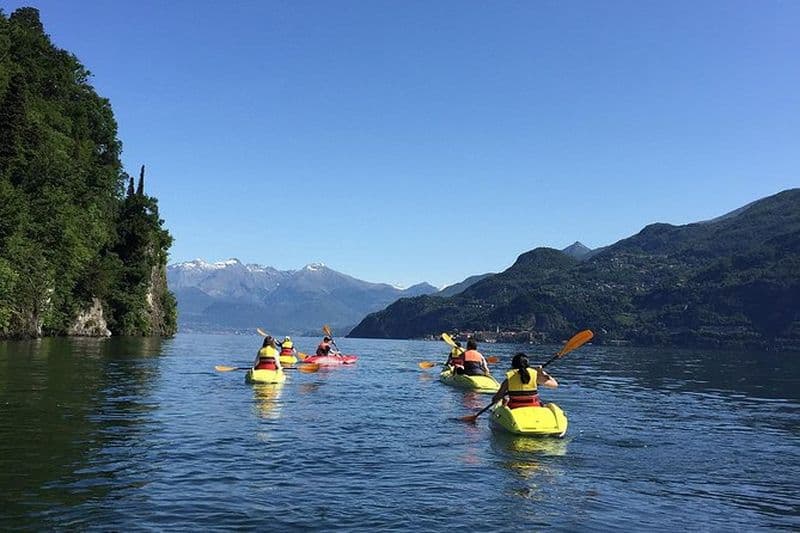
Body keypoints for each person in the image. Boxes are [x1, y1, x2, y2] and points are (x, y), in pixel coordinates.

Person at [490, 353, 558, 409]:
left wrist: (504, 400)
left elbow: (495, 399)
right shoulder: (535, 377)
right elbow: (554, 385)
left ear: (513, 365)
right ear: (528, 364)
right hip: (534, 406)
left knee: (505, 400)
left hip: (514, 408)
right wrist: (542, 372)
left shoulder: (509, 379)